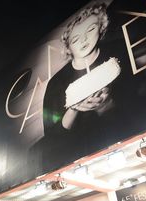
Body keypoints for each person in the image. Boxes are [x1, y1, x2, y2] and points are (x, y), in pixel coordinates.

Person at [43, 3, 120, 133]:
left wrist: (106, 104)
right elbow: (52, 135)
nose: (84, 39)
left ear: (101, 28)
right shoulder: (56, 83)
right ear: (68, 47)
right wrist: (73, 109)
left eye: (90, 29)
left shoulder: (119, 51)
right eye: (75, 39)